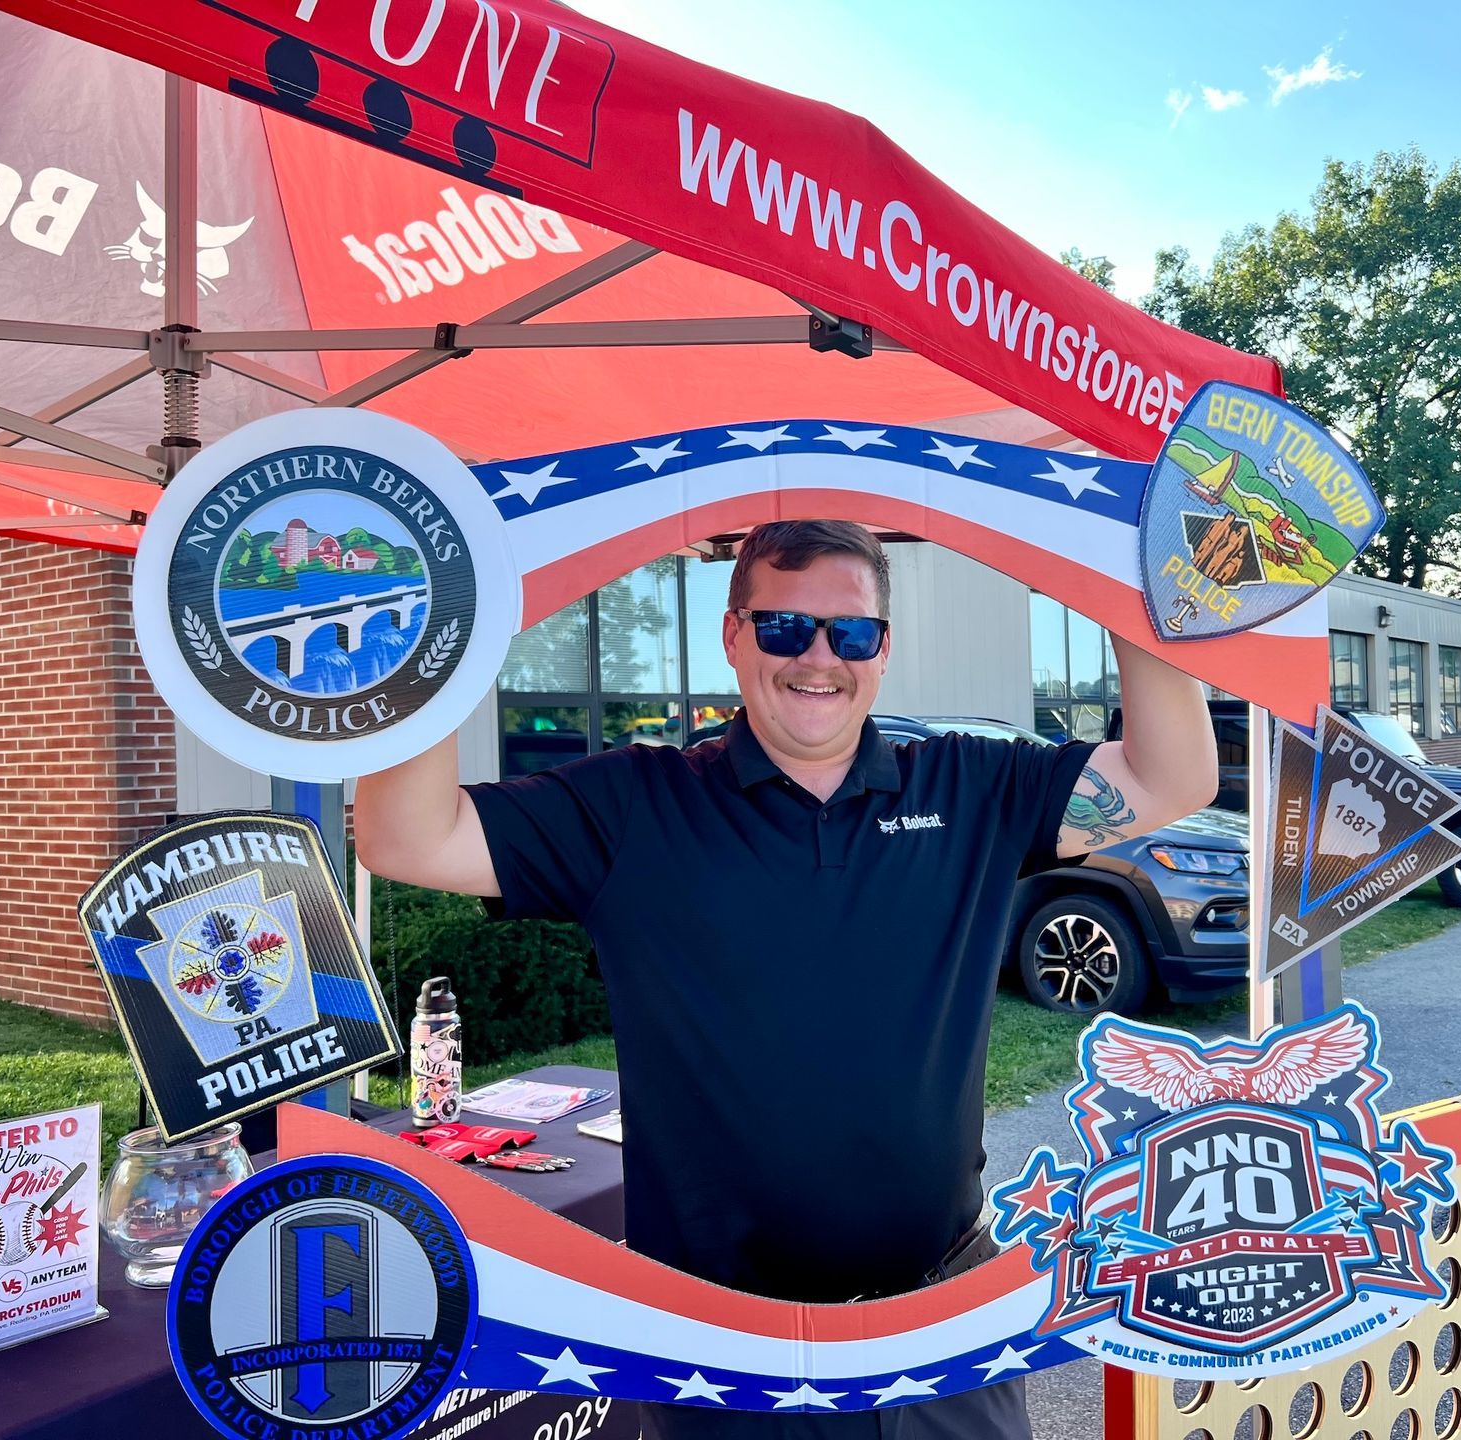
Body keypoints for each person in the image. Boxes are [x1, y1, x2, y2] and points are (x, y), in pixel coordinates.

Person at [354, 521, 1217, 1439]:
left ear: (883, 649)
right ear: (732, 635)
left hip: (941, 1334)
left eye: (850, 634)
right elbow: (405, 837)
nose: (818, 657)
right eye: (782, 628)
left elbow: (1175, 779)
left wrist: (1131, 591)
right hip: (724, 1355)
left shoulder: (971, 788)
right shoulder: (633, 805)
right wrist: (441, 620)